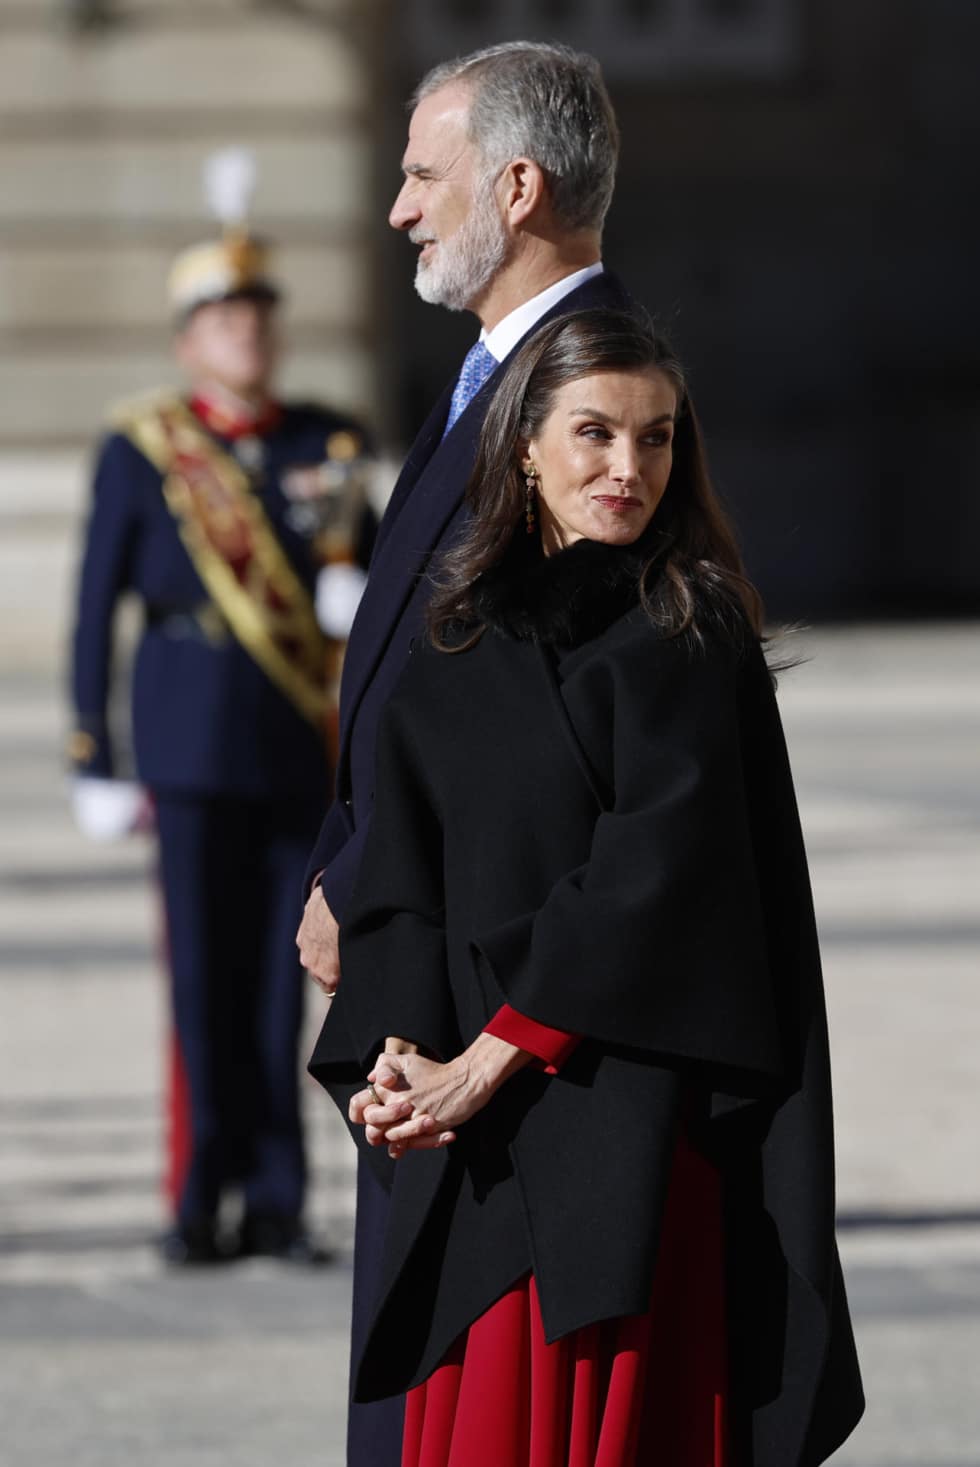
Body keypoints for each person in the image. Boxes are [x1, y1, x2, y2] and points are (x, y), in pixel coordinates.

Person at [310, 308, 865, 1467]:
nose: (628, 468)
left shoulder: (688, 628)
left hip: (629, 1137)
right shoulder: (455, 638)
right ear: (521, 443)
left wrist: (488, 1060)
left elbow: (654, 878)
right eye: (595, 433)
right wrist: (400, 1061)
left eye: (656, 438)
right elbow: (404, 877)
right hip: (477, 1153)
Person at [294, 41, 633, 1459]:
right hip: (422, 955)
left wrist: (370, 873)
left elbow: (557, 730)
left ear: (515, 182)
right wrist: (347, 870)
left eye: (422, 175)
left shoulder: (593, 399)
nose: (398, 209)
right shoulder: (496, 374)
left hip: (496, 992)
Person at [68, 162, 374, 1266]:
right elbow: (94, 605)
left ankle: (281, 1200)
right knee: (200, 983)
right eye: (222, 315)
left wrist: (363, 593)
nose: (245, 331)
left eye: (257, 313)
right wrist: (94, 751)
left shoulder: (325, 442)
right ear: (187, 335)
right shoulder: (141, 446)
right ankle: (199, 1199)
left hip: (298, 745)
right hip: (188, 744)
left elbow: (364, 577)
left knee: (281, 989)